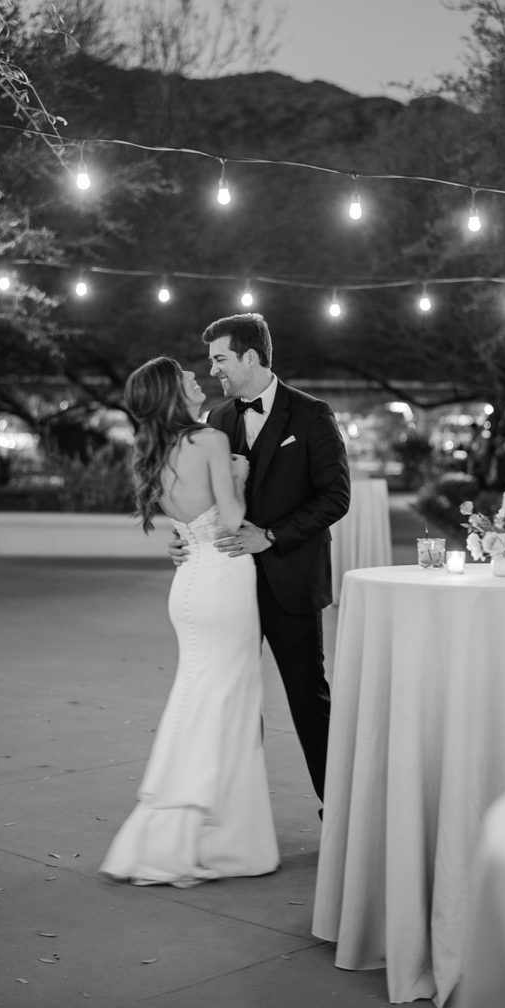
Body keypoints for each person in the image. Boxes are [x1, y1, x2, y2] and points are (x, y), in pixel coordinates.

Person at [100, 356, 279, 887]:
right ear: (170, 393)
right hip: (224, 579)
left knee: (202, 695)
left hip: (189, 586)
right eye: (184, 377)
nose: (196, 380)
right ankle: (210, 837)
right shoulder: (209, 442)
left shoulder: (151, 449)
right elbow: (230, 519)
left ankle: (181, 826)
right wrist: (240, 477)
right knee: (228, 700)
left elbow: (185, 524)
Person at [170, 314, 350, 805]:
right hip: (229, 585)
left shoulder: (313, 414)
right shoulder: (218, 421)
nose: (213, 371)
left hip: (291, 582)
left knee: (309, 700)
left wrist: (271, 536)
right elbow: (204, 501)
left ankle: (337, 813)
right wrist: (184, 537)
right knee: (238, 703)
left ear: (251, 357)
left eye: (220, 359)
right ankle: (237, 811)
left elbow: (336, 497)